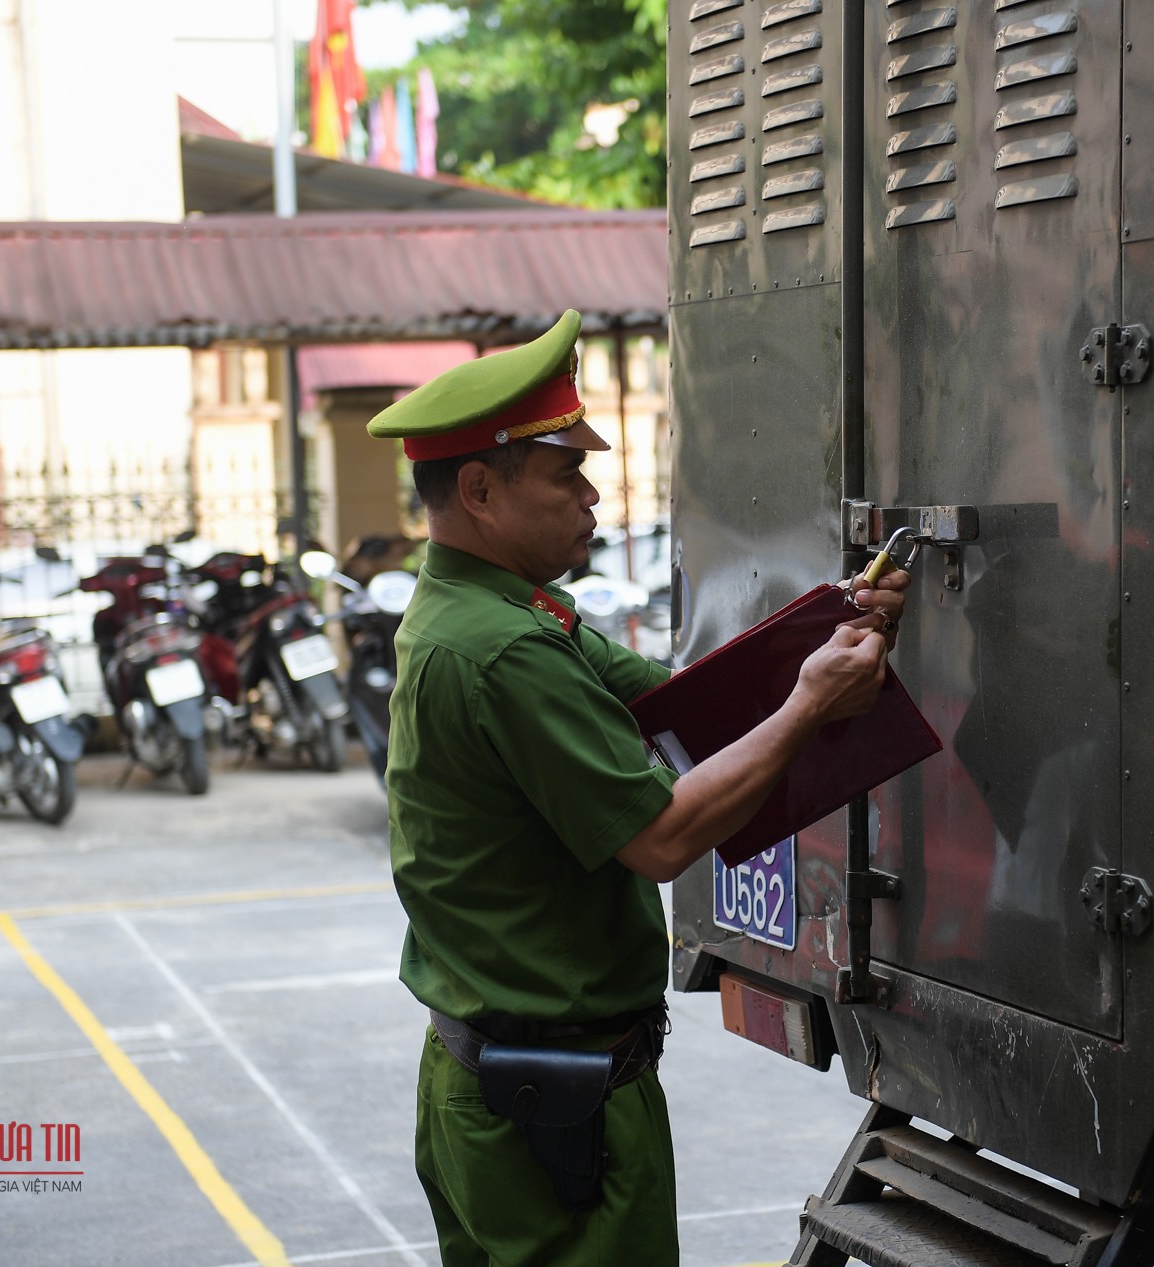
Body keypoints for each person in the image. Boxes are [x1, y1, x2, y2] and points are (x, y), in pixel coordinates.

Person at [367, 310, 908, 1264]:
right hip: (547, 1107)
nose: (592, 492)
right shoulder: (499, 649)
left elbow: (687, 708)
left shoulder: (496, 611)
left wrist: (837, 629)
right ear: (482, 490)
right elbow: (659, 838)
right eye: (564, 472)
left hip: (520, 1085)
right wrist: (813, 701)